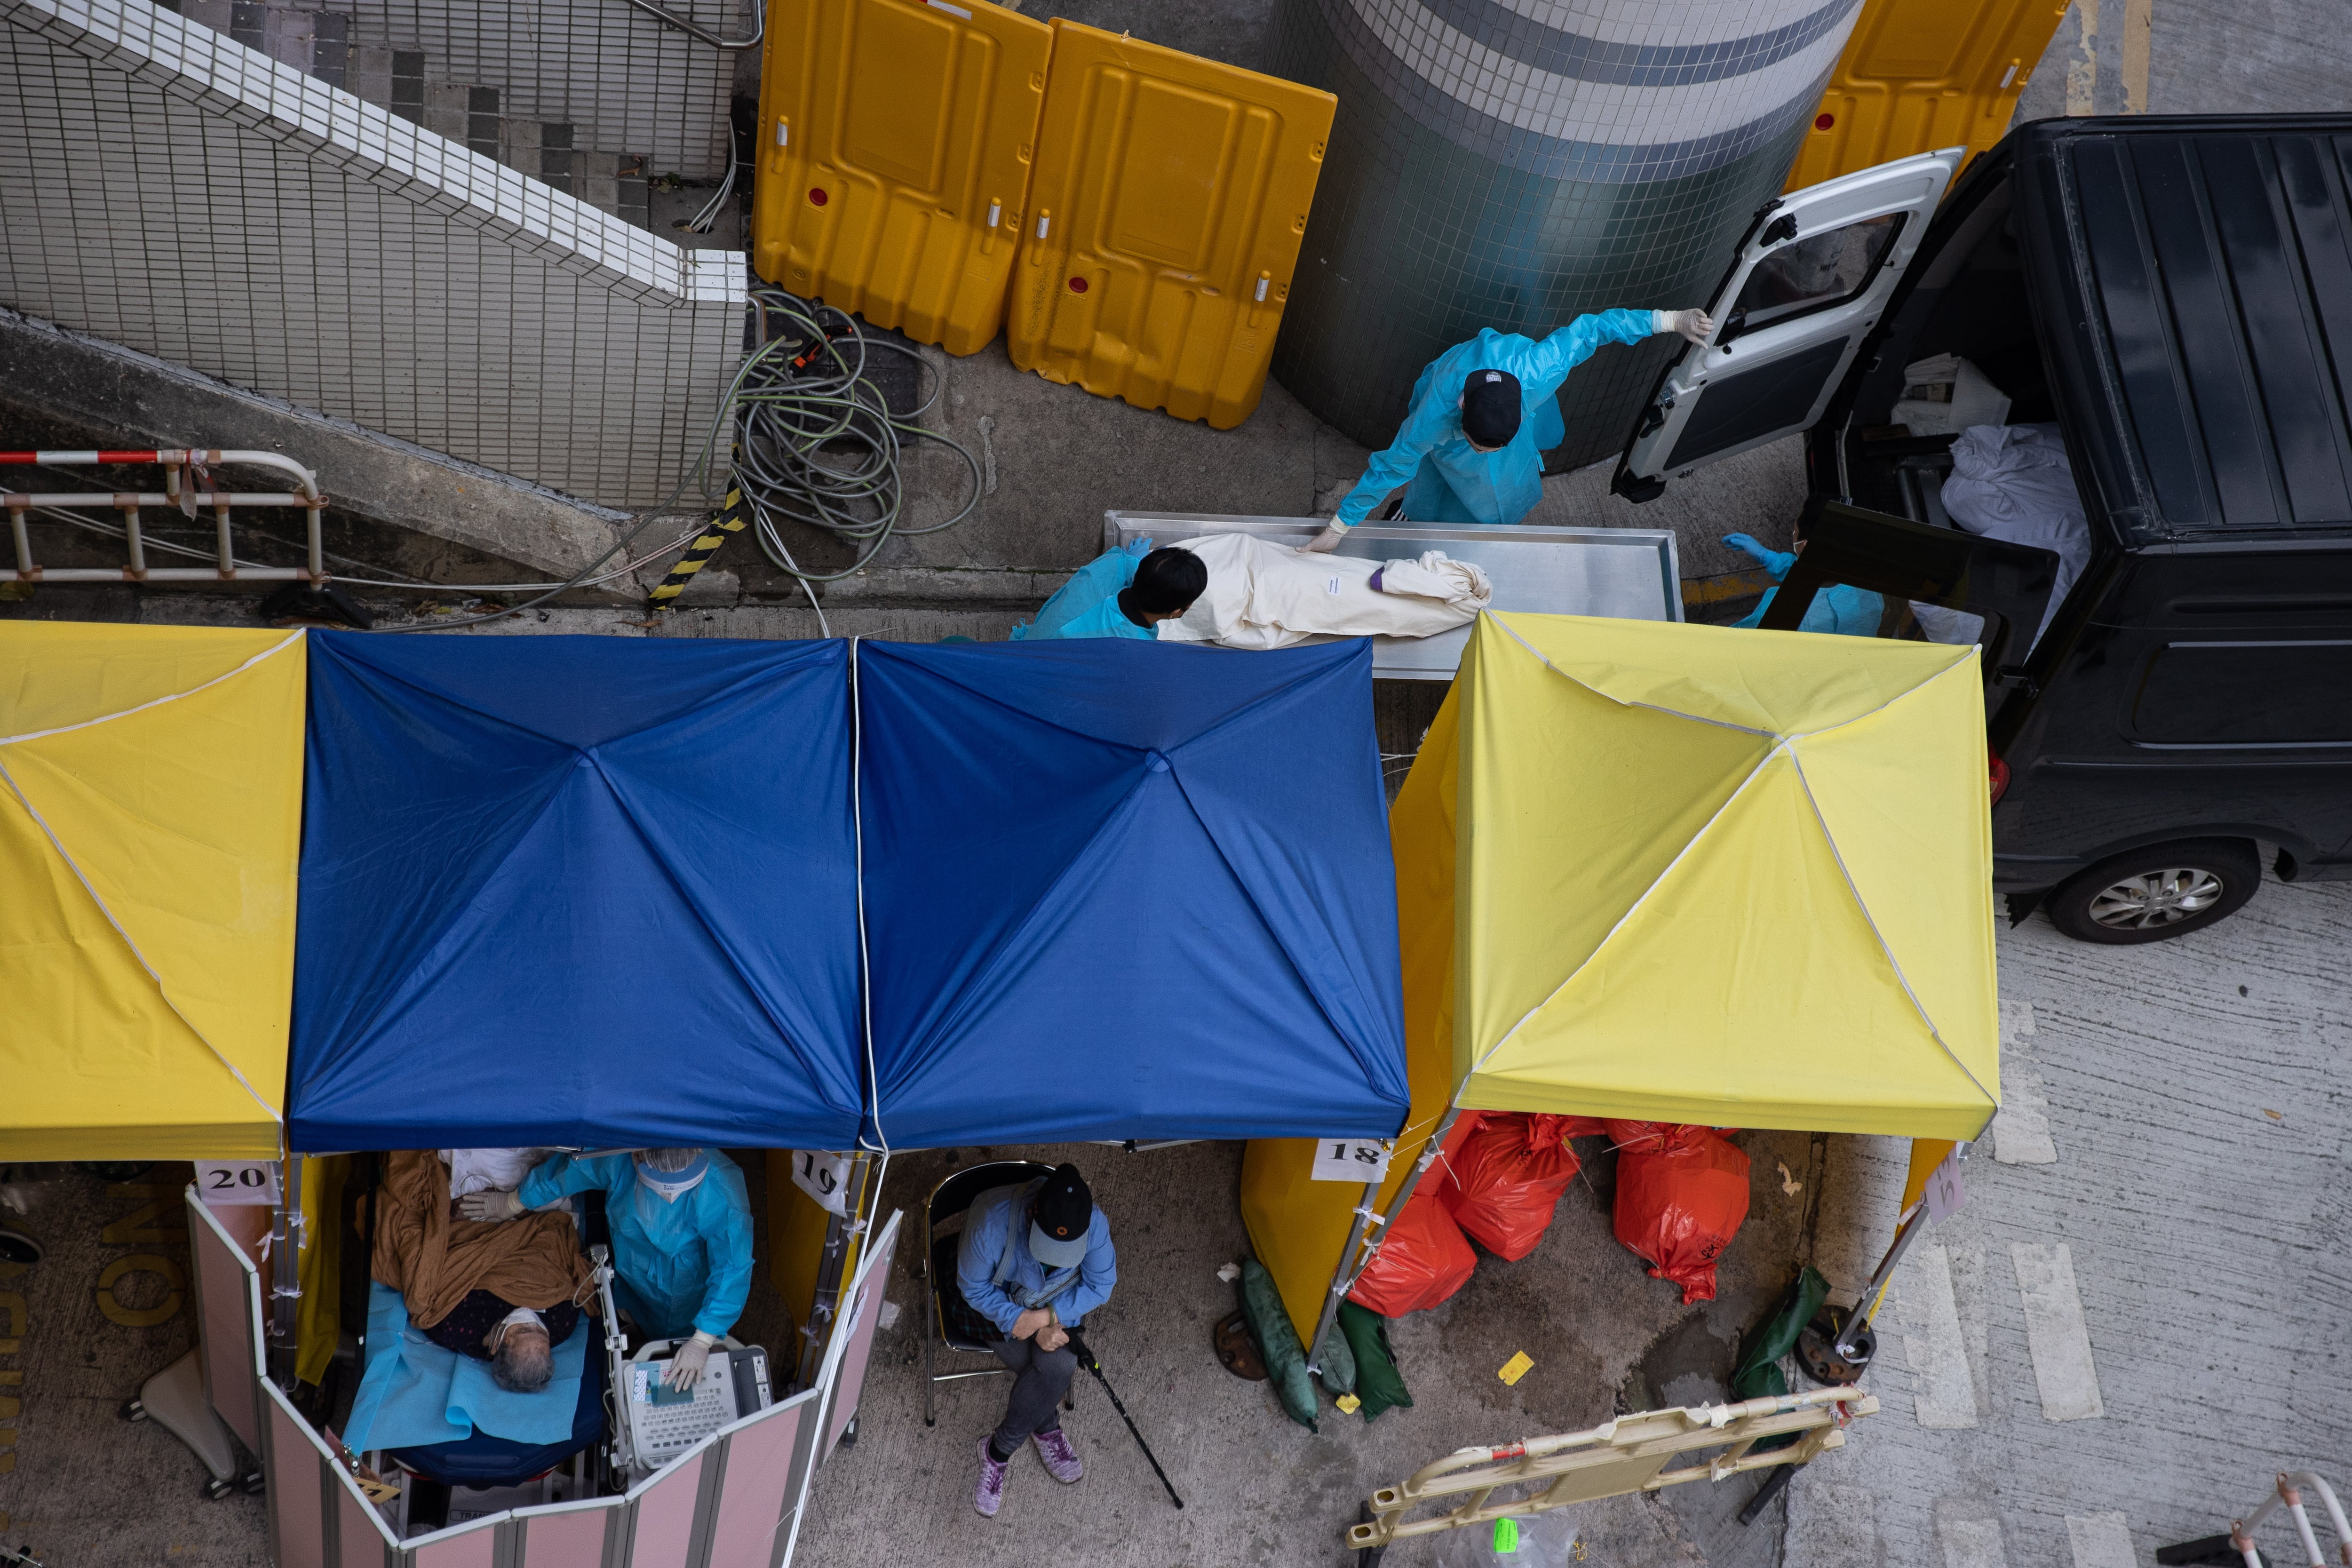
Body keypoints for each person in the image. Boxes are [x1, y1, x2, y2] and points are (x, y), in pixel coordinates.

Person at [1306, 309, 1716, 548]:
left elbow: (1593, 329)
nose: (1485, 454)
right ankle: (1409, 514)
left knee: (1498, 485)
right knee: (1427, 482)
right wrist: (1338, 527)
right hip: (1447, 422)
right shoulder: (1434, 416)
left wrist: (1670, 320)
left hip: (1497, 408)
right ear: (1461, 412)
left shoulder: (1538, 370)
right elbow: (1392, 465)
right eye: (1480, 447)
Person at [463, 1147, 753, 1392]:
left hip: (691, 1288)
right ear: (638, 1156)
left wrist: (703, 1340)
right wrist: (515, 1201)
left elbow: (733, 1270)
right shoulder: (618, 1157)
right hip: (632, 1271)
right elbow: (570, 1172)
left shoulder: (722, 1191)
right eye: (659, 1185)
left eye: (680, 1187)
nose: (669, 1198)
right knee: (639, 1314)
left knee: (683, 1339)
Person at [956, 1163, 1116, 1518]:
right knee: (1057, 1368)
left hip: (1052, 1309)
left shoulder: (1095, 1223)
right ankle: (1045, 1426)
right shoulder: (989, 1223)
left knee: (1058, 1362)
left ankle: (997, 1451)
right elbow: (972, 1287)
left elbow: (1101, 1285)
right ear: (1033, 1213)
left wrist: (1045, 1319)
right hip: (996, 1307)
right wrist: (1018, 1320)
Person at [372, 1149, 595, 1394]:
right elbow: (559, 1239)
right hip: (535, 1212)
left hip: (465, 1214)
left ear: (495, 1347)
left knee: (476, 1150)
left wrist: (447, 1217)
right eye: (541, 1333)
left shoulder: (455, 1327)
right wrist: (517, 1207)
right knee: (544, 1154)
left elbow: (427, 1270)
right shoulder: (561, 1323)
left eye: (523, 1329)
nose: (532, 1319)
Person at [1009, 545, 1208, 641]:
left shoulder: (1112, 566)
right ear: (1175, 612)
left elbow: (1129, 564)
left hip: (1029, 643)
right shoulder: (1135, 645)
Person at [1721, 533, 1885, 636]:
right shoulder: (1869, 590)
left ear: (1805, 544)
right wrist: (1770, 558)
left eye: (1795, 531)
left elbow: (1737, 643)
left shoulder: (1783, 608)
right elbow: (1815, 575)